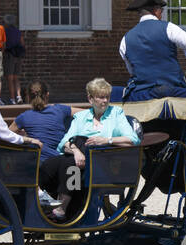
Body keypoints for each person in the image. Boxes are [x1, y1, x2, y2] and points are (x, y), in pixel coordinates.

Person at [38, 78, 139, 221]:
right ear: (90, 98)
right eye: (100, 97)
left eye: (107, 97)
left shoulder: (116, 113)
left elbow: (133, 140)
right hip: (77, 155)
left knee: (70, 166)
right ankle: (42, 201)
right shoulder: (81, 116)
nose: (105, 101)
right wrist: (76, 151)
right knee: (50, 163)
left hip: (102, 160)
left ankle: (62, 208)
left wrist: (106, 140)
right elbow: (63, 143)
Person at [119, 0, 186, 103]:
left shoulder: (125, 39)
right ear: (156, 11)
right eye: (161, 11)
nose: (162, 15)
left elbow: (132, 71)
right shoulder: (168, 27)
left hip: (142, 96)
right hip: (172, 92)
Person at [14, 80, 72, 161]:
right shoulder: (60, 109)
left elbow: (6, 135)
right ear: (47, 95)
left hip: (36, 161)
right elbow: (85, 112)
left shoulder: (23, 117)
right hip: (59, 159)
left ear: (28, 97)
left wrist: (25, 138)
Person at [3, 14, 25, 105]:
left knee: (10, 78)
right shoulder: (18, 31)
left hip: (9, 55)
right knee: (16, 78)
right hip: (18, 55)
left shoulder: (5, 31)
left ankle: (12, 98)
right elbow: (22, 43)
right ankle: (19, 96)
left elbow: (3, 44)